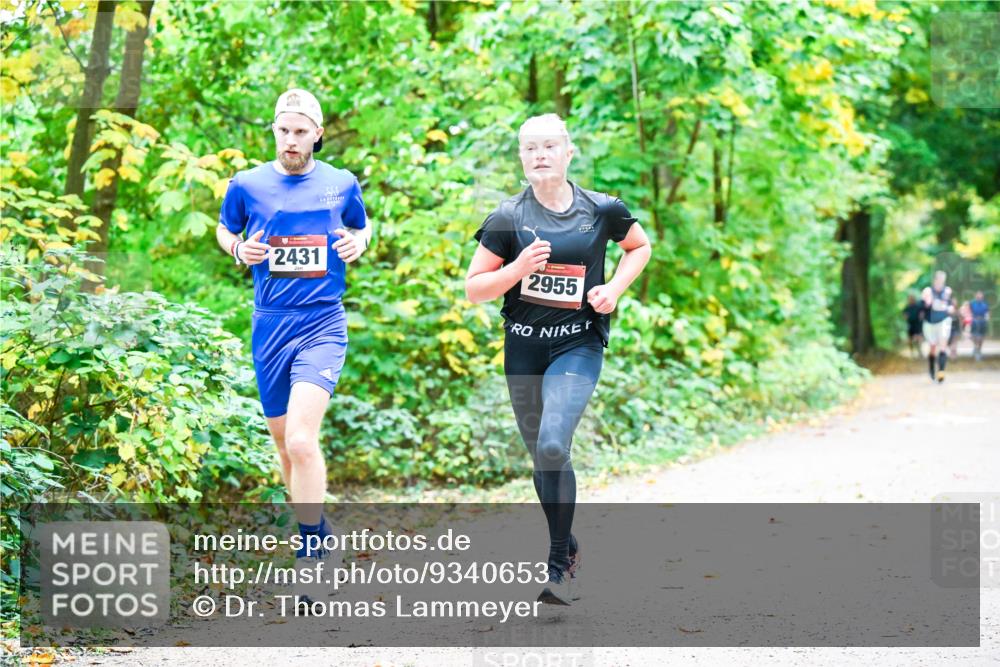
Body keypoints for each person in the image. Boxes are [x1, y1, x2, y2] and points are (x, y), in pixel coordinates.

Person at [465, 114, 651, 606]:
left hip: (577, 344)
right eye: (530, 148)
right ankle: (568, 544)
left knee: (552, 444)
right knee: (541, 458)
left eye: (549, 146)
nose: (539, 155)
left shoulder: (601, 209)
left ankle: (557, 565)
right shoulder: (507, 217)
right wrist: (517, 269)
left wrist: (613, 288)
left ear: (569, 152)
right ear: (522, 157)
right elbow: (473, 289)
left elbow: (639, 247)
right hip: (523, 345)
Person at [214, 89, 372, 605]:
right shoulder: (247, 184)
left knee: (303, 441)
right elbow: (224, 228)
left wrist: (358, 242)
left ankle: (310, 556)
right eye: (284, 130)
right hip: (270, 326)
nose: (291, 140)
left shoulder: (340, 183)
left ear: (317, 134)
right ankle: (320, 531)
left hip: (322, 322)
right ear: (274, 131)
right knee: (284, 446)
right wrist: (239, 248)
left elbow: (361, 227)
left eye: (301, 131)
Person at [921, 271, 954, 383]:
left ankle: (941, 372)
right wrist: (929, 302)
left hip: (943, 321)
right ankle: (931, 370)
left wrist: (950, 308)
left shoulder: (947, 291)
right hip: (930, 323)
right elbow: (926, 304)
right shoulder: (928, 291)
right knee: (933, 347)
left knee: (943, 345)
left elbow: (951, 306)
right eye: (938, 279)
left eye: (942, 280)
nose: (940, 282)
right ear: (935, 280)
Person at [901, 293, 923, 359]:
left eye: (912, 299)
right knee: (910, 339)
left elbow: (921, 313)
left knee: (918, 338)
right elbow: (904, 315)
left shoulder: (918, 306)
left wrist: (920, 317)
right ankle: (912, 352)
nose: (911, 300)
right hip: (910, 325)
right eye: (910, 299)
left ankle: (919, 351)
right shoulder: (907, 308)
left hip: (917, 324)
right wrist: (906, 317)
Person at [970, 291, 990, 361]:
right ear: (976, 296)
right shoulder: (972, 303)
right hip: (974, 322)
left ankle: (979, 351)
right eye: (978, 295)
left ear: (982, 296)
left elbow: (987, 313)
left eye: (980, 295)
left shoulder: (985, 304)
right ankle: (976, 348)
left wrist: (987, 318)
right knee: (974, 337)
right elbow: (969, 312)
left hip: (982, 322)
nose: (979, 297)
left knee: (981, 338)